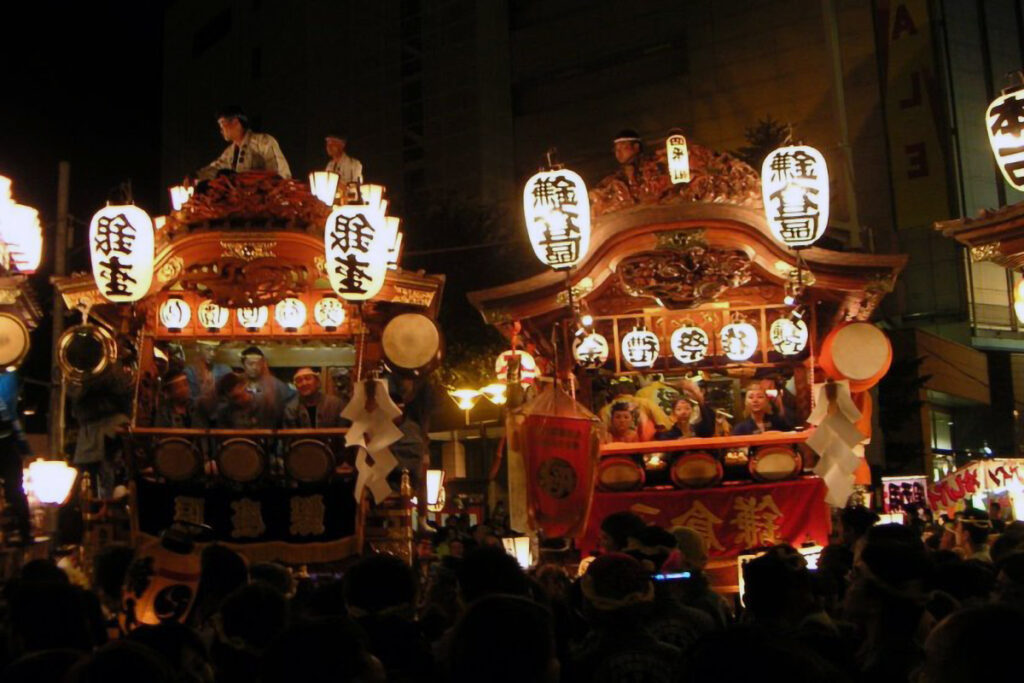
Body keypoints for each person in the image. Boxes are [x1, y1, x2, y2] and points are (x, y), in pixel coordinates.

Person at [197, 105, 291, 180]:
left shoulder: (263, 141)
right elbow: (215, 168)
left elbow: (278, 172)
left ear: (235, 122)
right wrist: (196, 176)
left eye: (222, 124)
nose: (221, 130)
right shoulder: (229, 152)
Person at [239, 346, 293, 426]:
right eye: (250, 364)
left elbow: (291, 403)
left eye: (258, 364)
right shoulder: (235, 384)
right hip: (240, 432)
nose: (254, 367)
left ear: (263, 364)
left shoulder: (276, 385)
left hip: (269, 431)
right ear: (243, 364)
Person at [184, 341, 230, 409]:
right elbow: (189, 399)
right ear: (198, 348)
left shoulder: (224, 370)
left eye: (215, 350)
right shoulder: (189, 372)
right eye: (208, 349)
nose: (212, 354)